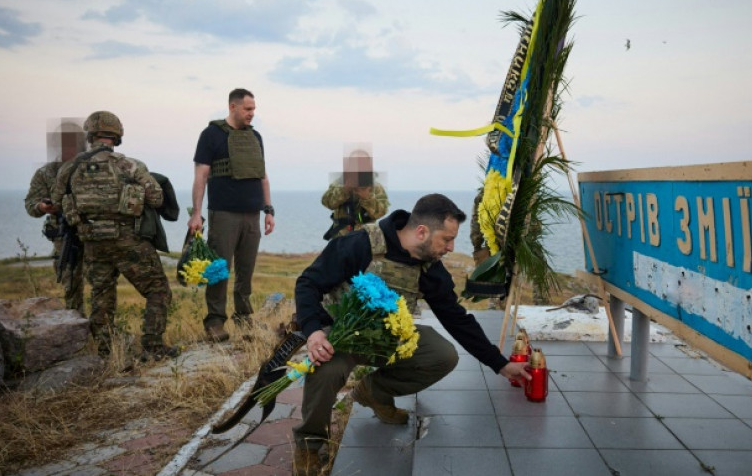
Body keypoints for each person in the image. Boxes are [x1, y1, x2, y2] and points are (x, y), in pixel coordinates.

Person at [291, 193, 531, 476]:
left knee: (442, 355)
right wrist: (314, 332)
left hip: (388, 339)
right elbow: (308, 283)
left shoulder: (429, 267)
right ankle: (309, 444)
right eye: (447, 239)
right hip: (340, 337)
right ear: (421, 231)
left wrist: (499, 363)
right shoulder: (359, 244)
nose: (451, 247)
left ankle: (374, 392)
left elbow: (455, 318)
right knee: (326, 369)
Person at [51, 111, 177, 360]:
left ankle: (107, 351)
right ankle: (152, 347)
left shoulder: (70, 168)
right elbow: (157, 197)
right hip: (128, 240)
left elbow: (56, 202)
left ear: (90, 135)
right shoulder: (129, 164)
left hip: (92, 242)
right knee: (158, 290)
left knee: (102, 295)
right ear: (117, 136)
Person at [189, 88, 275, 342]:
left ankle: (244, 317)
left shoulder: (255, 137)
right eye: (248, 109)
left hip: (252, 214)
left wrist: (268, 210)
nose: (252, 114)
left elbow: (263, 176)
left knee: (246, 270)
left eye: (254, 109)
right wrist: (196, 213)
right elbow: (201, 176)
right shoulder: (211, 135)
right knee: (219, 269)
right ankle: (215, 321)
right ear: (233, 107)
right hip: (223, 214)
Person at [24, 120, 87, 314]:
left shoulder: (93, 167)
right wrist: (42, 207)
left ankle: (104, 333)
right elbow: (30, 205)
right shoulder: (46, 172)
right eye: (64, 143)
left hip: (94, 232)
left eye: (72, 143)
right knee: (70, 285)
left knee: (103, 284)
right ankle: (76, 326)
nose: (69, 148)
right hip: (65, 235)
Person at [321, 148, 389, 240]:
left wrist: (366, 198)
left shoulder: (376, 187)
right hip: (341, 237)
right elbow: (327, 202)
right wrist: (344, 190)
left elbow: (381, 212)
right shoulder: (339, 184)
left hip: (366, 237)